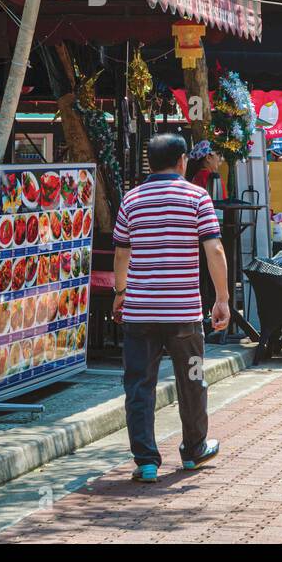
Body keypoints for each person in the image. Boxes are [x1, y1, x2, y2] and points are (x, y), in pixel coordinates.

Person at [114, 133, 230, 483]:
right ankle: (194, 449)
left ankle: (146, 461)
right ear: (182, 161)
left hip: (140, 314)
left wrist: (121, 292)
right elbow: (214, 250)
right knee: (193, 379)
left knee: (139, 386)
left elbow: (122, 252)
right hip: (183, 315)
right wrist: (222, 298)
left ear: (150, 162)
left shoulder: (131, 200)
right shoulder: (197, 197)